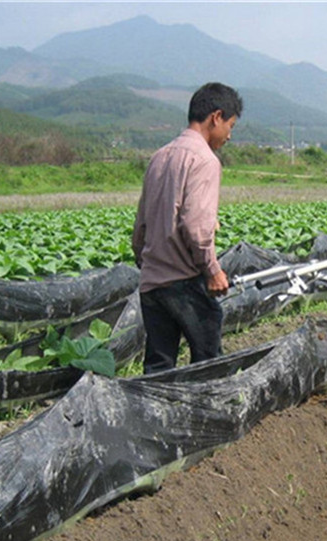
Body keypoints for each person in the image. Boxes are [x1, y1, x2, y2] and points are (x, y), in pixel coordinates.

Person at [132, 82, 243, 373]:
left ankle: (153, 418)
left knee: (158, 367)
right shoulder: (205, 160)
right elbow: (196, 227)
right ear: (216, 117)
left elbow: (141, 224)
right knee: (208, 366)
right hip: (184, 281)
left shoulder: (160, 156)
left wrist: (146, 263)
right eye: (230, 125)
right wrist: (213, 270)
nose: (229, 135)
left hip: (152, 283)